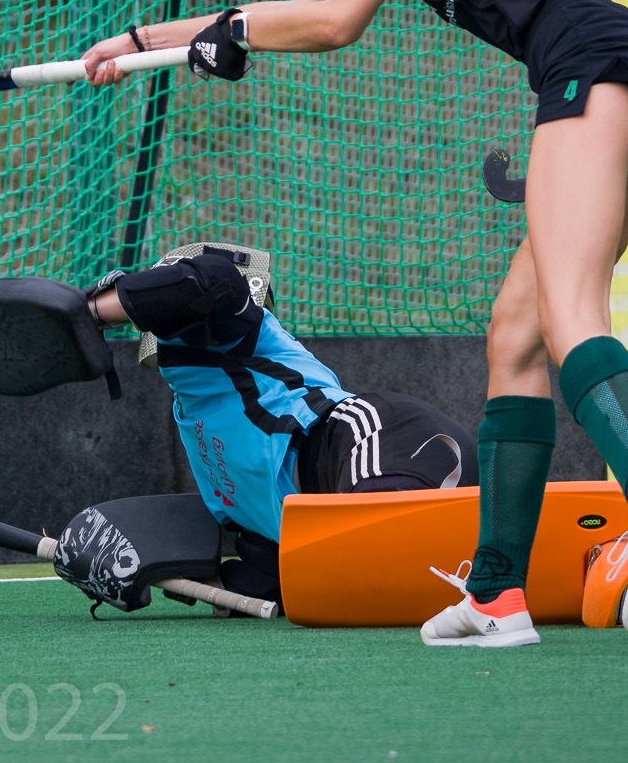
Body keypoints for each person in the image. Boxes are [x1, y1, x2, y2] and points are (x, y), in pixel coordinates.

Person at [81, 0, 628, 647]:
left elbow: (336, 24)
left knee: (570, 309)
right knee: (515, 333)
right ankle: (496, 594)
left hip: (592, 63)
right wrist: (141, 44)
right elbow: (313, 4)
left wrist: (233, 33)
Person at [82, 245, 473, 604]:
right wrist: (150, 570)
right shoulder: (196, 411)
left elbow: (210, 280)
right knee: (342, 589)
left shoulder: (236, 335)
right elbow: (270, 576)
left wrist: (90, 313)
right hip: (347, 494)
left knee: (375, 573)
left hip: (383, 441)